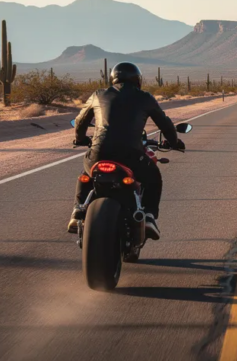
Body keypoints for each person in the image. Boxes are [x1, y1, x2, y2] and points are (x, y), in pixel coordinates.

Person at [70, 62, 184, 239]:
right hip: (131, 154)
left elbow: (80, 121)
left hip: (99, 151)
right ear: (137, 80)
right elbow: (165, 124)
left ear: (113, 78)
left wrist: (79, 139)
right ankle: (148, 216)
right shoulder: (145, 97)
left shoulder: (98, 95)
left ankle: (78, 209)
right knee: (153, 177)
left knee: (86, 172)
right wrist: (174, 141)